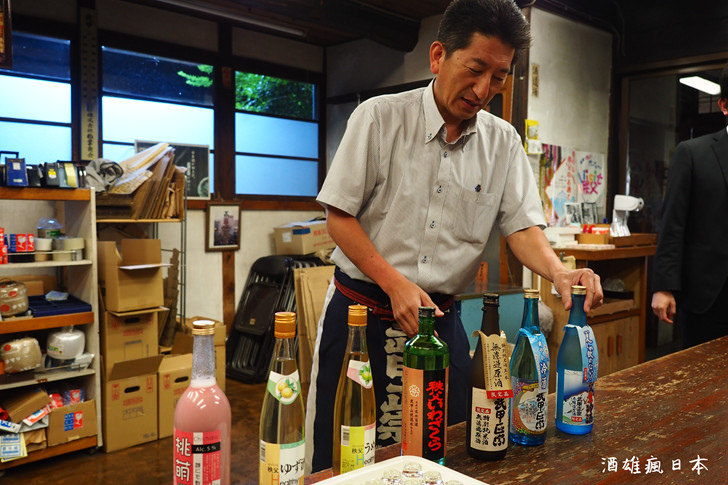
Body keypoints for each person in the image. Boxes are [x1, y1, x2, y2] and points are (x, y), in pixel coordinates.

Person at [306, 0, 604, 473]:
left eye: (499, 77)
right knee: (346, 456)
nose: (484, 90)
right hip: (361, 315)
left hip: (440, 321)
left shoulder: (503, 142)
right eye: (475, 69)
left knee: (448, 451)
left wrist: (558, 272)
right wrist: (394, 283)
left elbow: (522, 227)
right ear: (438, 56)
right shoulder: (379, 118)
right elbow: (339, 216)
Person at [651, 62, 728, 348]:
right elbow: (673, 223)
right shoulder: (693, 153)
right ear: (724, 105)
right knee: (702, 371)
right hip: (708, 295)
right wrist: (663, 286)